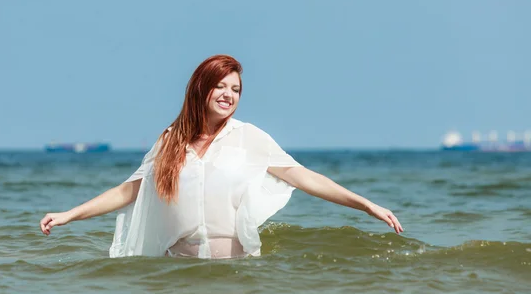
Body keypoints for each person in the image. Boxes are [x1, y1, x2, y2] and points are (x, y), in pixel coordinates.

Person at [39, 55, 403, 259]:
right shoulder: (170, 142)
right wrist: (70, 215)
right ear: (202, 87)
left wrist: (366, 205)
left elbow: (305, 177)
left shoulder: (249, 138)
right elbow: (129, 191)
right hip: (178, 272)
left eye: (236, 89)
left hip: (233, 272)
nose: (229, 95)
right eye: (221, 86)